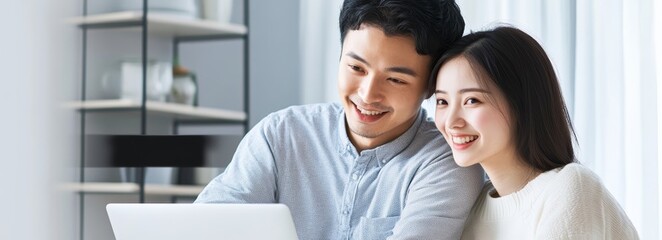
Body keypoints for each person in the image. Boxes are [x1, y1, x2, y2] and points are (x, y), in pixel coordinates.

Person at [195, 0, 484, 239]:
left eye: (395, 79)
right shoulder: (281, 135)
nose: (368, 95)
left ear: (431, 86)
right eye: (356, 67)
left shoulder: (446, 162)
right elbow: (205, 227)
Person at [430, 26, 639, 239]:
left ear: (522, 103)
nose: (451, 121)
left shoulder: (569, 187)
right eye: (442, 102)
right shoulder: (472, 208)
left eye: (472, 100)